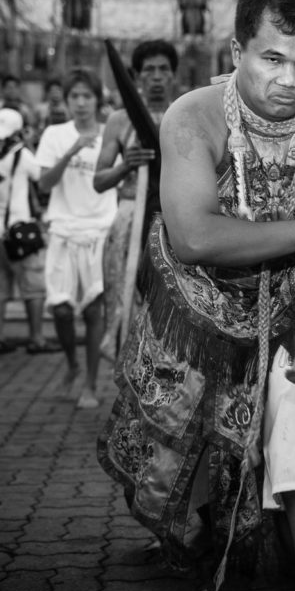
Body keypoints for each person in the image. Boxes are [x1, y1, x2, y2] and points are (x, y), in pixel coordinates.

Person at [98, 0, 295, 591]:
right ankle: (189, 533)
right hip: (193, 308)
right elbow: (194, 237)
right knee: (186, 447)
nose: (289, 80)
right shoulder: (192, 118)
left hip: (294, 305)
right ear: (236, 51)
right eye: (272, 58)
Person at [36, 68, 117, 410]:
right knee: (62, 309)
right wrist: (71, 152)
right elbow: (43, 185)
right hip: (63, 230)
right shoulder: (55, 134)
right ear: (66, 101)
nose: (81, 103)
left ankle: (90, 383)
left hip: (100, 228)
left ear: (98, 100)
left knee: (95, 310)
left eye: (87, 96)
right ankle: (71, 364)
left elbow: (121, 178)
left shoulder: (111, 134)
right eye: (75, 97)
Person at [94, 39, 177, 359]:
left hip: (174, 223)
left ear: (173, 75)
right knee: (126, 308)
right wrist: (126, 164)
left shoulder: (187, 113)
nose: (156, 77)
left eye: (163, 70)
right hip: (130, 223)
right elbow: (99, 181)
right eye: (149, 70)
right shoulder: (119, 120)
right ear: (137, 76)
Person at [0, 108, 57, 355]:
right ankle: (36, 338)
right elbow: (42, 177)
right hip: (19, 234)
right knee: (32, 286)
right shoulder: (22, 156)